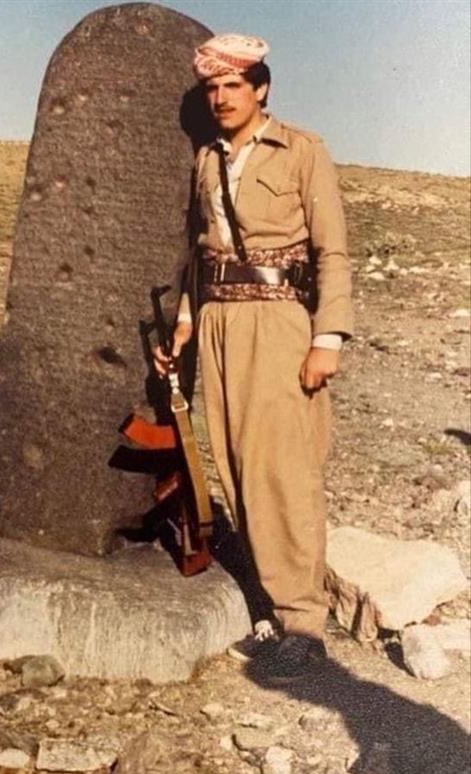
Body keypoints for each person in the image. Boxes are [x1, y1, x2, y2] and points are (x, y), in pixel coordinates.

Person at [155, 33, 353, 677]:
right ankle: (270, 607)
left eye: (233, 86)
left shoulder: (301, 150)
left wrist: (327, 337)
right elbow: (202, 251)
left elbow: (332, 251)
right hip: (218, 321)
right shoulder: (206, 160)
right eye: (212, 88)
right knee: (235, 467)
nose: (221, 98)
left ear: (260, 88)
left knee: (281, 469)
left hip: (278, 321)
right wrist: (186, 322)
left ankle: (304, 625)